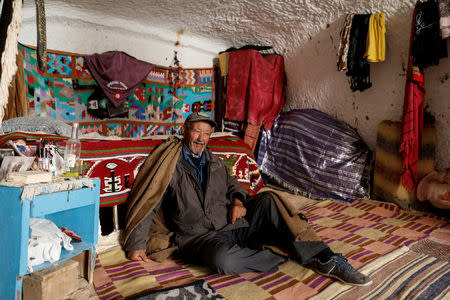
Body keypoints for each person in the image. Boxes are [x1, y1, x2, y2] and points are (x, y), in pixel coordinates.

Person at [124, 112, 372, 286]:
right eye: (196, 131)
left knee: (270, 199)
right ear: (184, 131)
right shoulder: (169, 164)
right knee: (225, 261)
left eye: (206, 133)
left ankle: (325, 257)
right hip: (198, 238)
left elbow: (235, 186)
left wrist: (237, 202)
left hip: (232, 226)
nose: (201, 138)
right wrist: (136, 244)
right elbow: (150, 200)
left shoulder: (215, 162)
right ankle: (281, 252)